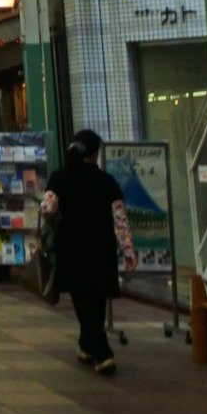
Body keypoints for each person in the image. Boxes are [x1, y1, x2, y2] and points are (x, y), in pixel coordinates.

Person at [41, 128, 137, 375]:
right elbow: (120, 220)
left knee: (82, 299)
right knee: (95, 298)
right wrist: (128, 251)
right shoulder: (108, 181)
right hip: (101, 250)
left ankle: (102, 352)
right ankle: (88, 346)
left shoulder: (59, 178)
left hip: (71, 248)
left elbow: (47, 209)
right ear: (95, 154)